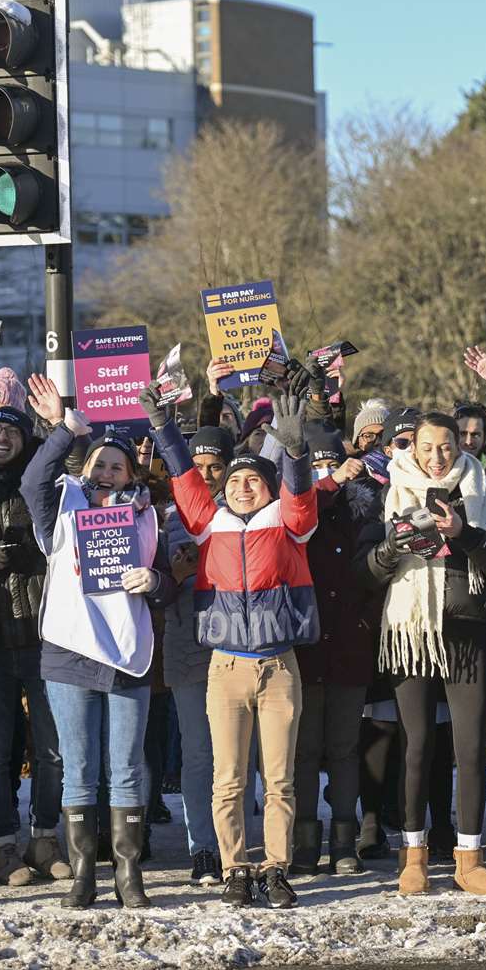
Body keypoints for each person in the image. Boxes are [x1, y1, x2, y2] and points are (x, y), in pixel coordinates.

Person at [150, 386, 318, 909]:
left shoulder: (288, 526)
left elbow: (302, 499)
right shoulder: (208, 524)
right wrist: (164, 429)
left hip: (279, 668)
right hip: (225, 668)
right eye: (236, 479)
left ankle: (276, 868)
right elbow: (182, 478)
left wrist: (293, 455)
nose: (245, 487)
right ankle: (235, 868)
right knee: (229, 779)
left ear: (267, 488)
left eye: (254, 479)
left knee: (280, 780)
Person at [21, 375, 176, 910]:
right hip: (68, 652)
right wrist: (67, 430)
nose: (107, 472)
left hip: (128, 656)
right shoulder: (60, 508)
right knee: (79, 766)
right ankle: (84, 872)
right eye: (99, 464)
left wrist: (155, 582)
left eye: (117, 465)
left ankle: (128, 871)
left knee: (128, 766)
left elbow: (171, 580)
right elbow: (31, 481)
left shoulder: (148, 516)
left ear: (131, 473)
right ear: (84, 470)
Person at [358, 411, 486, 896]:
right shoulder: (391, 494)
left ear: (460, 447)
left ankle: (468, 860)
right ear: (412, 449)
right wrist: (392, 546)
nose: (436, 457)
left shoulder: (483, 491)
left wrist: (463, 534)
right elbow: (365, 574)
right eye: (427, 447)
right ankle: (414, 857)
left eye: (446, 447)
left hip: (467, 630)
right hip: (412, 630)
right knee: (418, 746)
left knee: (470, 747)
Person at [0, 404, 70, 886]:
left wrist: (59, 422)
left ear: (27, 441)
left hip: (42, 639)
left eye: (13, 432)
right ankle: (3, 847)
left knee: (52, 749)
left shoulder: (42, 486)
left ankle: (44, 839)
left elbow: (66, 537)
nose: (3, 438)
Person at [292, 423, 376, 879]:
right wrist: (328, 482)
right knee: (304, 751)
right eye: (317, 465)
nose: (328, 471)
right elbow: (300, 513)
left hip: (349, 646)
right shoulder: (297, 510)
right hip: (305, 649)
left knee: (344, 749)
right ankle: (304, 839)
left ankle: (344, 839)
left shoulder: (364, 512)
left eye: (332, 462)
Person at [160, 423, 235, 886]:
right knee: (198, 755)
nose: (206, 475)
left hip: (237, 649)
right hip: (189, 648)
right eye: (198, 466)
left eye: (216, 467)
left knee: (236, 757)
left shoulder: (247, 510)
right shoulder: (172, 518)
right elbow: (160, 588)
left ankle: (235, 847)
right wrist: (175, 572)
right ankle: (203, 849)